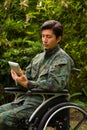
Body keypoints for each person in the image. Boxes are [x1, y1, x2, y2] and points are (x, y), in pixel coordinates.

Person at [0, 20, 74, 130]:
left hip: (44, 103)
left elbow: (55, 84)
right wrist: (19, 78)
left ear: (58, 39)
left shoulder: (62, 59)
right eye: (43, 36)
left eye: (48, 37)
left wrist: (28, 84)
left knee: (3, 118)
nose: (44, 40)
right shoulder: (37, 58)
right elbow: (27, 78)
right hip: (25, 100)